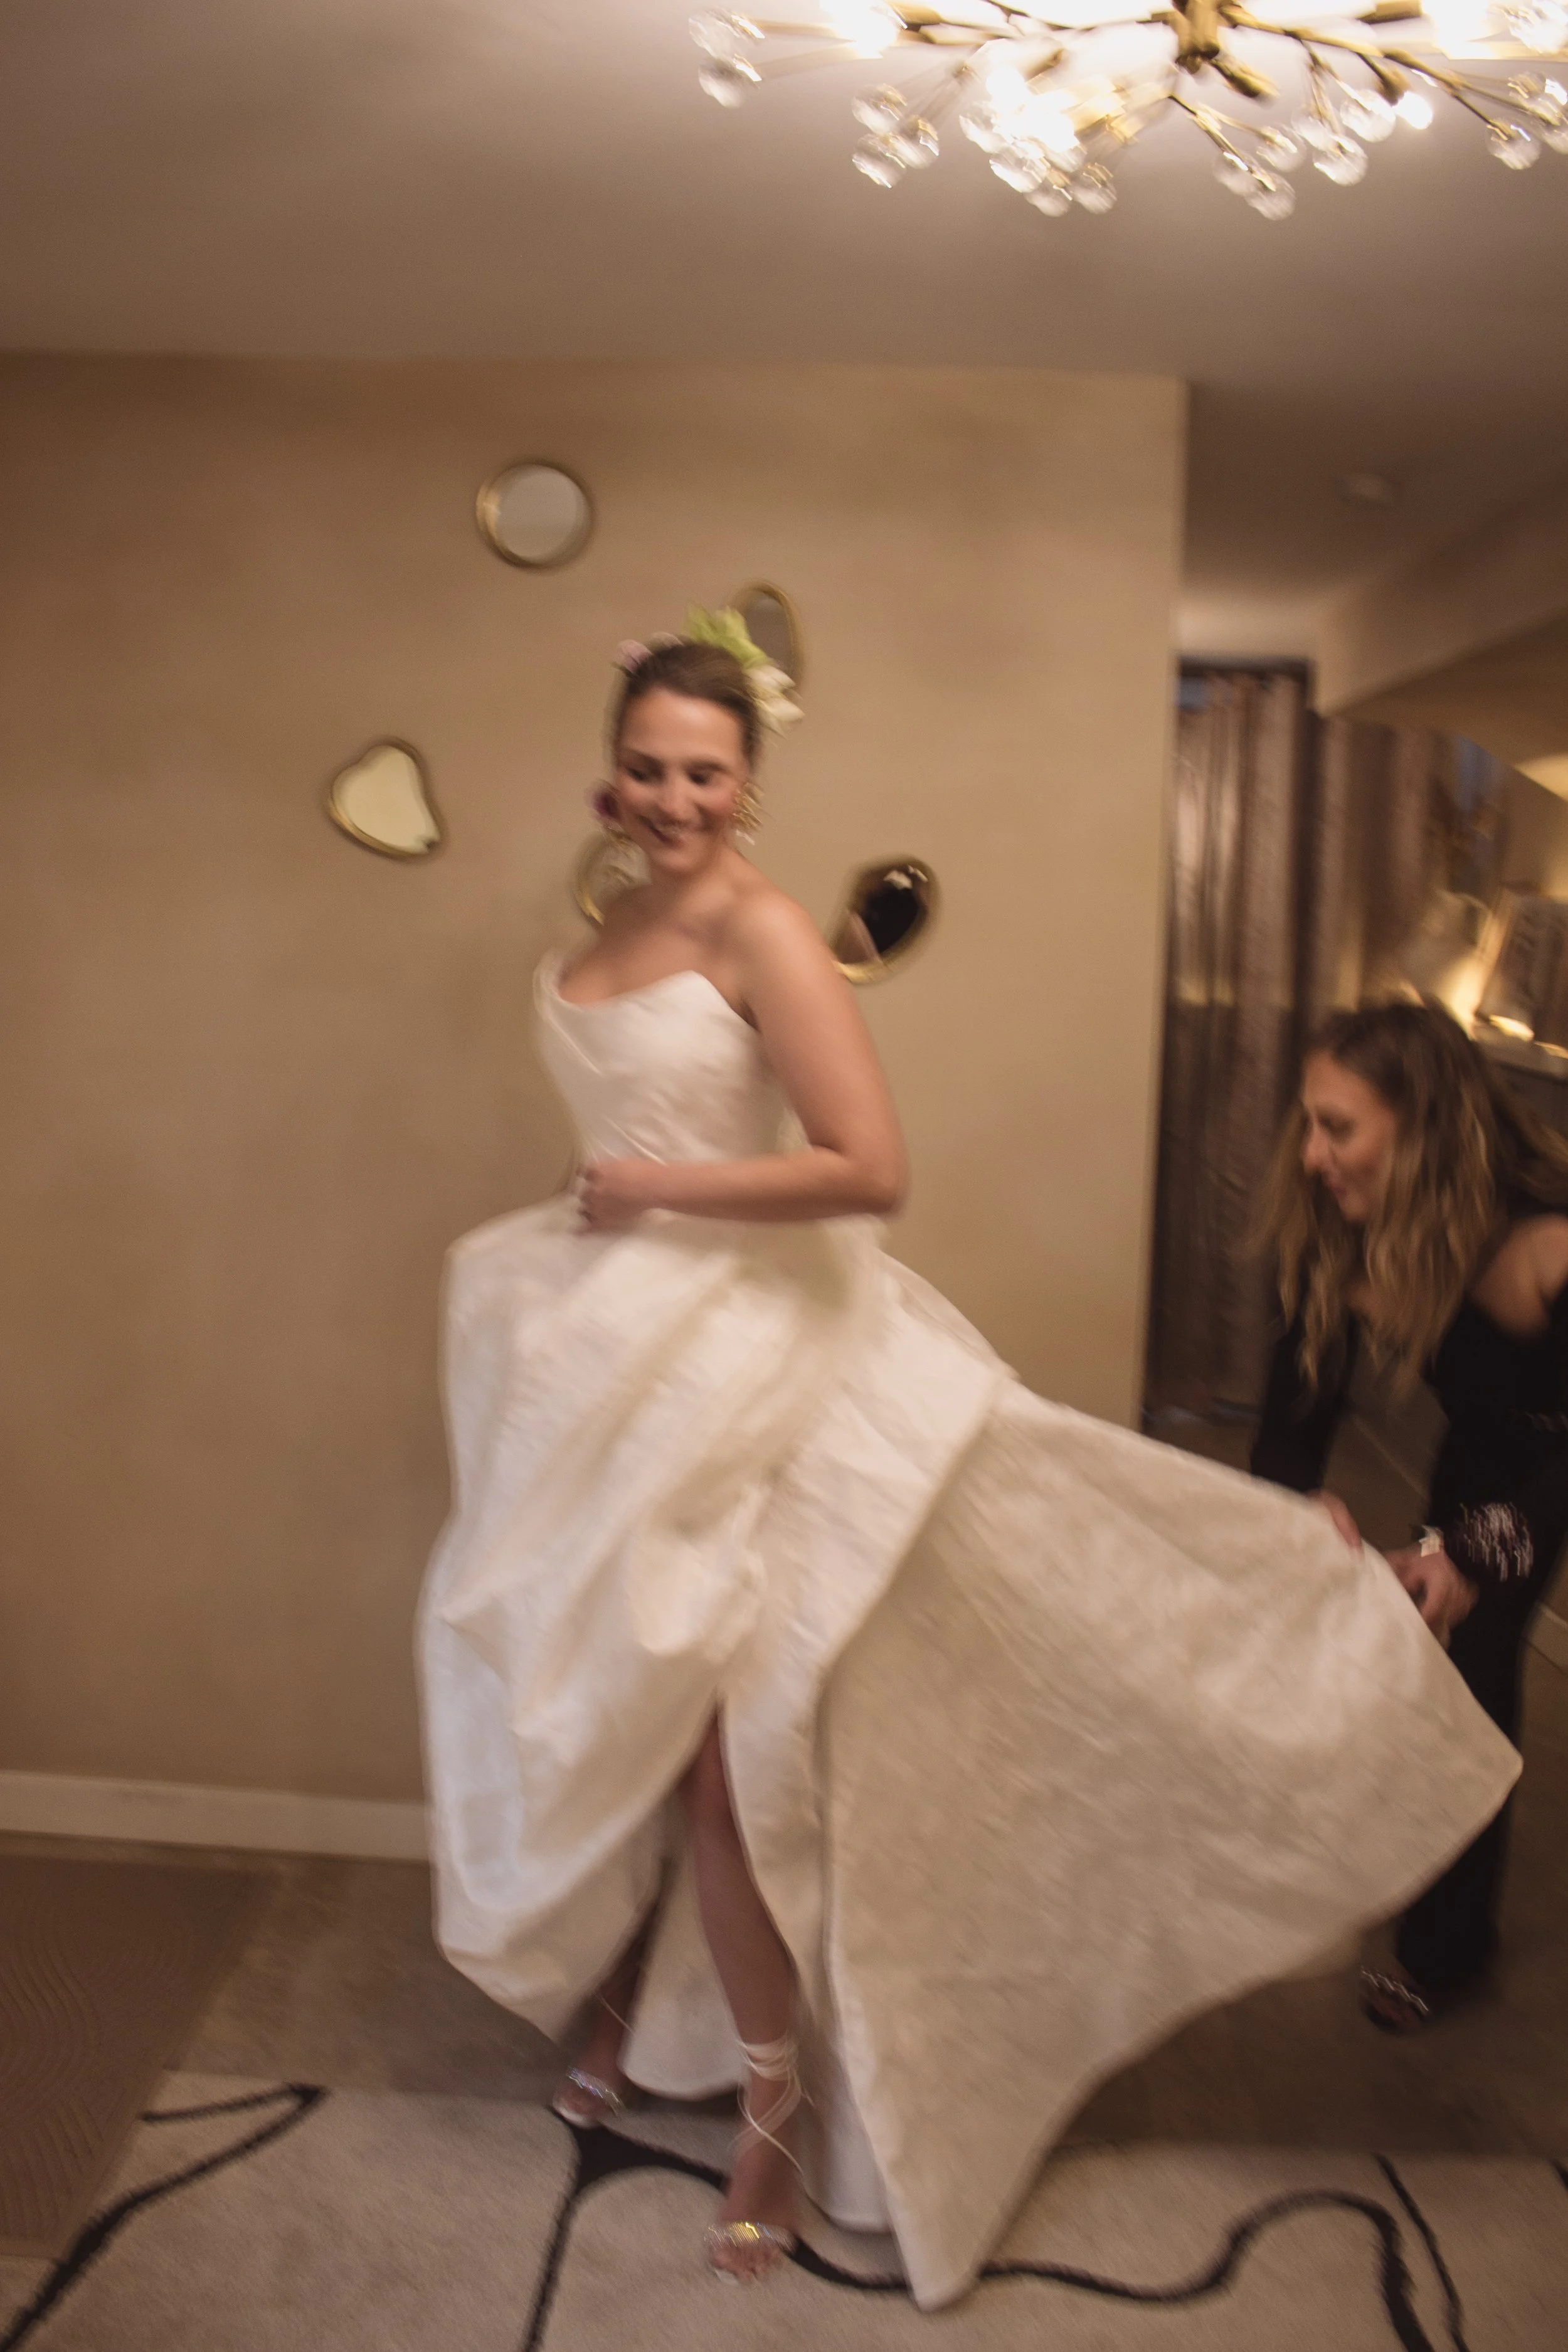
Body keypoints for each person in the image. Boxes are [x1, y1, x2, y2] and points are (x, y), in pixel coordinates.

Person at [418, 624, 1517, 2309]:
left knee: (734, 1751)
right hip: (603, 1357)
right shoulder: (612, 919)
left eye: (704, 768)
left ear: (748, 783)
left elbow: (867, 1165)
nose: (673, 793)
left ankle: (771, 2107)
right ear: (612, 769)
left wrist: (659, 1191)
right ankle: (634, 1999)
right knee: (624, 1696)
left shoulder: (764, 926)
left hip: (752, 1356)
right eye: (647, 763)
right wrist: (619, 1210)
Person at [1253, 999, 1568, 2033]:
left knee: (1476, 1626)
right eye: (1310, 1122)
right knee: (1449, 1662)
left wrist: (1483, 1549)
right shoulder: (1346, 1232)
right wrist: (1304, 1496)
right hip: (1489, 1438)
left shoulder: (1545, 1237)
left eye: (1337, 1127)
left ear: (1422, 1128)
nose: (1312, 1155)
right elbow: (1293, 1413)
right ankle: (1445, 1931)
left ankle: (1448, 1944)